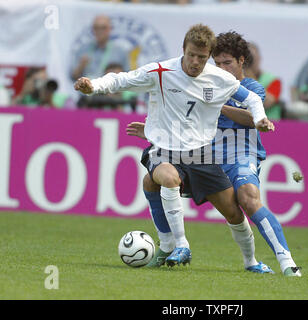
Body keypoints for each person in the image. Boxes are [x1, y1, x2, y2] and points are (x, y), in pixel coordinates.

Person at [74, 24, 275, 273]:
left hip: (201, 153)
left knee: (233, 212)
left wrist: (259, 119)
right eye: (191, 55)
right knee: (166, 178)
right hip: (164, 150)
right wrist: (93, 86)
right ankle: (180, 244)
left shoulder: (219, 78)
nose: (195, 62)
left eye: (202, 57)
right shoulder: (161, 71)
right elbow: (122, 79)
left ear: (208, 56)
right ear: (183, 49)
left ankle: (251, 261)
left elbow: (252, 99)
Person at [127, 31, 302, 277]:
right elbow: (182, 124)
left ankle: (286, 262)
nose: (220, 67)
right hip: (205, 159)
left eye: (227, 62)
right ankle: (167, 247)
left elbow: (252, 119)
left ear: (242, 61)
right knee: (151, 180)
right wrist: (151, 133)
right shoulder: (203, 84)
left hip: (240, 156)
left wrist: (218, 103)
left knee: (248, 198)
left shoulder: (251, 88)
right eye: (216, 63)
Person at [70, 15, 130, 81]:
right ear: (92, 29)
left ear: (110, 29)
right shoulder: (82, 50)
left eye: (103, 28)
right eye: (96, 28)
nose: (99, 31)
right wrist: (80, 67)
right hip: (86, 90)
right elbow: (72, 78)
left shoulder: (120, 52)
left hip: (109, 90)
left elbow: (127, 79)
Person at [244, 42, 283, 121]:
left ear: (259, 58)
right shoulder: (235, 80)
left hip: (269, 125)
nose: (249, 61)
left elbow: (266, 103)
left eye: (252, 57)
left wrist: (249, 75)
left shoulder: (274, 80)